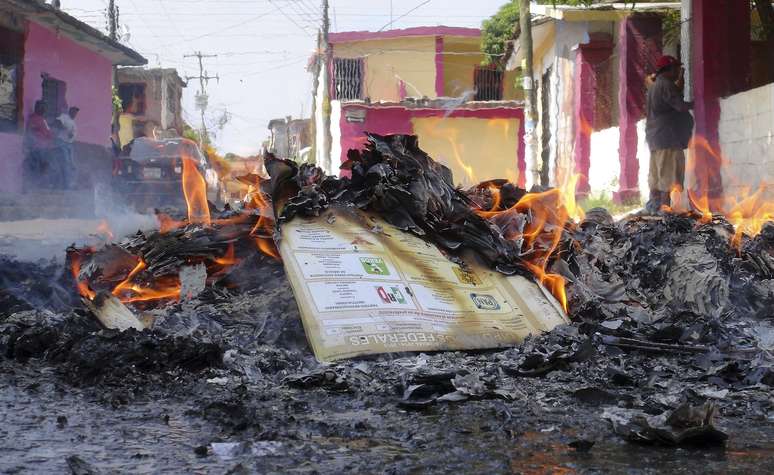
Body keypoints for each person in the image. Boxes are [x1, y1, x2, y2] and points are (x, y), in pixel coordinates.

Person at [645, 55, 694, 212]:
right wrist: (699, 102)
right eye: (676, 68)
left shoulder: (654, 86)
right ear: (669, 69)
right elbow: (679, 106)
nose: (678, 71)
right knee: (669, 179)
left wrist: (679, 84)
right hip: (668, 138)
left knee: (657, 178)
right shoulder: (666, 85)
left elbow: (667, 100)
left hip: (655, 139)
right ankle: (664, 211)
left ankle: (653, 208)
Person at [23, 100, 56, 189]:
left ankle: (40, 184)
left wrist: (51, 135)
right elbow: (30, 132)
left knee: (44, 166)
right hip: (37, 147)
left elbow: (47, 132)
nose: (44, 109)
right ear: (38, 108)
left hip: (45, 147)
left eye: (45, 107)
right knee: (37, 166)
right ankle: (34, 185)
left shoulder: (42, 119)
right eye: (43, 107)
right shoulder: (33, 118)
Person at [56, 106, 79, 189]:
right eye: (73, 112)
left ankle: (69, 183)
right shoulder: (64, 117)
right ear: (70, 111)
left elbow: (71, 135)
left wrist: (71, 135)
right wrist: (64, 128)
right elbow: (57, 122)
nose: (75, 114)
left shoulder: (74, 123)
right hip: (61, 143)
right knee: (66, 161)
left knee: (72, 164)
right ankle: (66, 185)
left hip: (69, 144)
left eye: (76, 113)